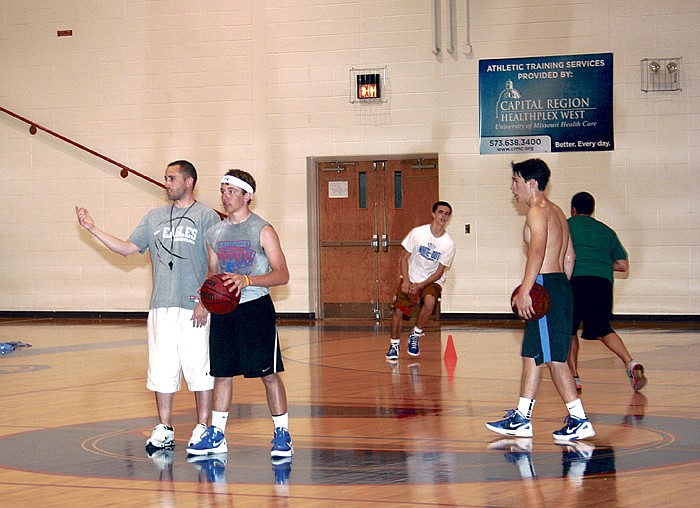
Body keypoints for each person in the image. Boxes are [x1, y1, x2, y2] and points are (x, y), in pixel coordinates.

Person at [76, 160, 221, 452]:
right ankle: (165, 428)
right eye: (165, 178)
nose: (166, 183)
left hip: (194, 306)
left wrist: (206, 301)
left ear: (189, 181)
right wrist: (93, 229)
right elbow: (128, 249)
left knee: (199, 369)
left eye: (171, 178)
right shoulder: (154, 217)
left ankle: (202, 427)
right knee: (162, 370)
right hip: (160, 307)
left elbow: (215, 263)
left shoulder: (207, 216)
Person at [485, 159, 595, 442]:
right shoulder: (558, 212)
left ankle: (579, 419)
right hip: (557, 285)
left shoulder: (537, 211)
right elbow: (569, 256)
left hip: (545, 283)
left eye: (516, 181)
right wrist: (560, 289)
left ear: (531, 183)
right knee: (531, 356)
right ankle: (522, 418)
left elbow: (537, 252)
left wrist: (527, 289)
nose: (513, 188)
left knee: (554, 360)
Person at [187, 169, 293, 460]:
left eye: (231, 191)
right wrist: (204, 300)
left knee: (268, 374)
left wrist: (247, 280)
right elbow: (213, 274)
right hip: (225, 310)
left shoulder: (263, 230)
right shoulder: (214, 233)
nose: (225, 196)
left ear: (247, 196)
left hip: (255, 308)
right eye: (223, 191)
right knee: (221, 373)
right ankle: (217, 434)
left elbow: (282, 275)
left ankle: (282, 433)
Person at [567, 191, 646, 392]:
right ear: (593, 211)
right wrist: (600, 262)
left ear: (573, 210)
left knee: (569, 331)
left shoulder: (565, 225)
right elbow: (622, 265)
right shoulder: (606, 231)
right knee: (603, 329)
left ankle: (574, 378)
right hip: (601, 283)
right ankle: (630, 362)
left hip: (574, 281)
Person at [385, 201, 455, 361]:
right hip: (412, 276)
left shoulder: (448, 244)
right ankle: (394, 344)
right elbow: (403, 258)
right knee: (398, 312)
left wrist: (421, 285)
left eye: (447, 214)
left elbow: (439, 272)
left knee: (429, 302)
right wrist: (406, 281)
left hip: (431, 280)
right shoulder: (417, 233)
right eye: (440, 212)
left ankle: (415, 334)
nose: (443, 216)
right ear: (433, 214)